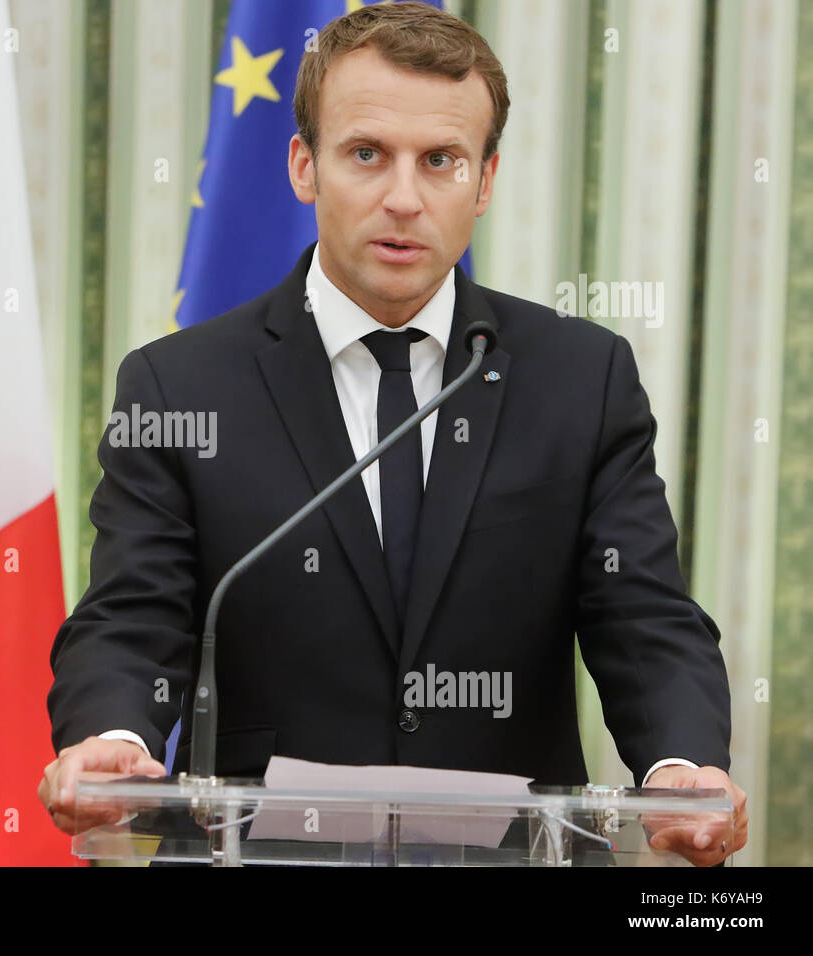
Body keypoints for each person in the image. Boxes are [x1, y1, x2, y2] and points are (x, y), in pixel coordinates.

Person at [38, 2, 747, 865]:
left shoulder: (579, 378)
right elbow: (132, 614)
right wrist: (113, 732)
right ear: (305, 166)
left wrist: (680, 763)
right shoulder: (179, 386)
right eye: (366, 154)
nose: (403, 198)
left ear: (484, 182)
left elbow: (642, 614)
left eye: (441, 161)